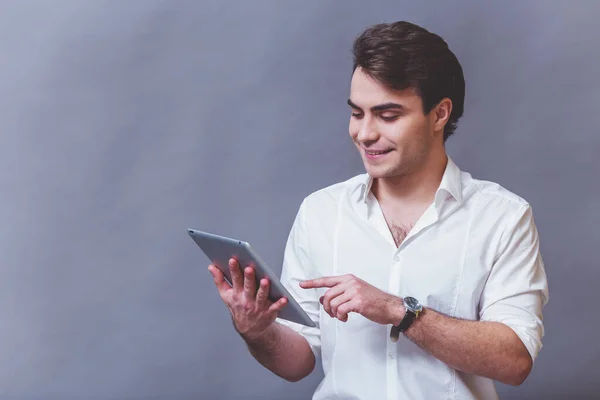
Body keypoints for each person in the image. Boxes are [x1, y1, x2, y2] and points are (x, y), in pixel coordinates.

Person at [207, 20, 548, 399]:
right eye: (357, 113)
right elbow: (298, 361)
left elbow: (515, 361)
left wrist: (396, 309)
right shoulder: (320, 212)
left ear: (439, 114)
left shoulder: (502, 217)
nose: (365, 133)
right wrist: (256, 330)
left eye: (388, 116)